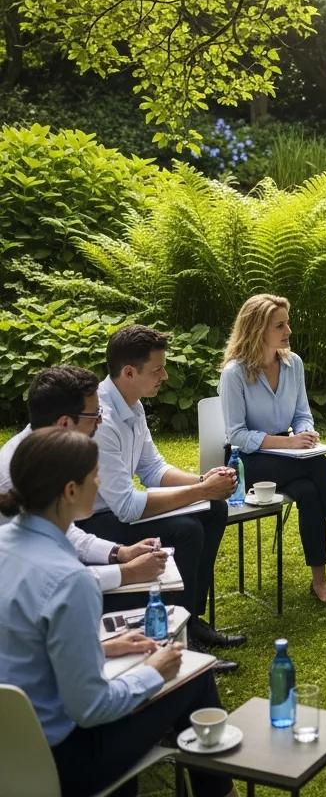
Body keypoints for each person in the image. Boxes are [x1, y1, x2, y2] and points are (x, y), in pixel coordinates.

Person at [0, 428, 237, 797]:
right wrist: (152, 673)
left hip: (10, 750)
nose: (102, 482)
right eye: (95, 475)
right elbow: (93, 707)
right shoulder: (70, 581)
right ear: (70, 491)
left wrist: (101, 647)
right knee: (194, 675)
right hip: (61, 764)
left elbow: (19, 640)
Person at [79, 325, 245, 670]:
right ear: (128, 372)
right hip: (91, 521)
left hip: (116, 510)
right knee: (187, 529)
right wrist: (199, 490)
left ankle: (192, 618)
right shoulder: (103, 419)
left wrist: (204, 481)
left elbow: (153, 468)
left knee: (213, 509)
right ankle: (179, 635)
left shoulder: (133, 405)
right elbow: (125, 507)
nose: (165, 376)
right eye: (157, 369)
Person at [219, 293, 326, 608]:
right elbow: (237, 435)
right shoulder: (235, 373)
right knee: (319, 468)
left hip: (289, 459)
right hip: (247, 462)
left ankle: (320, 582)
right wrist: (287, 443)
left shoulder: (292, 364)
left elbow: (302, 413)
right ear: (257, 329)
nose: (289, 331)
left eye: (288, 323)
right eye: (280, 325)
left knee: (310, 490)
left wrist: (304, 433)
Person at [0, 365, 168, 593]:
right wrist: (127, 572)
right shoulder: (17, 474)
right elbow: (52, 580)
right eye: (95, 415)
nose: (100, 422)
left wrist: (119, 553)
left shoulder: (48, 453)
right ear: (65, 424)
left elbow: (64, 533)